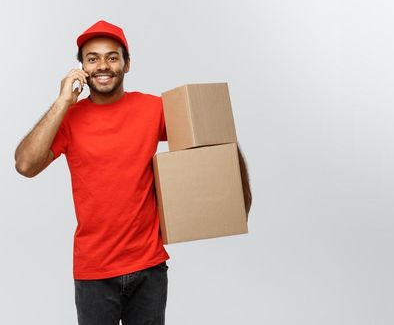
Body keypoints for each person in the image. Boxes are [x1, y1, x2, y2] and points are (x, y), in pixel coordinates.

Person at [14, 20, 252, 325]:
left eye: (113, 57)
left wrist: (239, 195)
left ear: (127, 64)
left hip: (149, 267)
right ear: (82, 68)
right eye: (92, 58)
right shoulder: (69, 119)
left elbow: (213, 137)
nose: (103, 65)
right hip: (94, 272)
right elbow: (25, 165)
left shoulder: (152, 109)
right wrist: (62, 101)